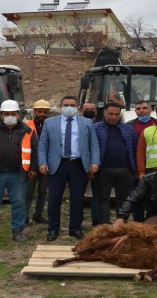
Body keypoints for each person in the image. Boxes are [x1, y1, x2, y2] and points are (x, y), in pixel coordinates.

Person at [39, 95, 100, 241]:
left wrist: (95, 162)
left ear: (78, 108)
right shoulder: (49, 122)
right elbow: (43, 145)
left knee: (77, 198)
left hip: (78, 164)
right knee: (54, 198)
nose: (69, 107)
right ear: (60, 107)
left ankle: (75, 228)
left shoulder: (86, 123)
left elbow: (94, 144)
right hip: (57, 164)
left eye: (72, 105)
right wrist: (42, 162)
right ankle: (53, 229)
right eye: (66, 105)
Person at [0, 100, 38, 243]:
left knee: (19, 203)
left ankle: (18, 230)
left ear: (18, 115)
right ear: (1, 116)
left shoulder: (28, 131)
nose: (10, 116)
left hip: (19, 173)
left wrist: (33, 168)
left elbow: (35, 151)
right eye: (7, 114)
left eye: (13, 114)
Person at [93, 102, 138, 224]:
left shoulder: (129, 129)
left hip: (126, 170)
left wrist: (135, 169)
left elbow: (135, 149)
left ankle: (121, 225)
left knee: (123, 200)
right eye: (110, 114)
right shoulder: (95, 128)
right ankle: (104, 225)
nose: (113, 117)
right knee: (102, 198)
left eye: (116, 114)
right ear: (104, 113)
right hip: (103, 170)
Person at [126, 99, 156, 221]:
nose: (141, 111)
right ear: (135, 111)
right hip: (134, 166)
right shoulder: (128, 126)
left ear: (151, 110)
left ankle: (152, 219)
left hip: (152, 166)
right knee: (136, 194)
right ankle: (138, 220)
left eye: (144, 108)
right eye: (138, 109)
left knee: (152, 196)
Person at [25, 99, 51, 224]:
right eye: (39, 111)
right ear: (34, 111)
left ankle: (38, 215)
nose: (42, 114)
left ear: (48, 113)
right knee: (28, 191)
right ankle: (24, 216)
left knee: (43, 191)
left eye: (44, 112)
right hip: (31, 164)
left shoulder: (51, 125)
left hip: (47, 164)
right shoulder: (26, 125)